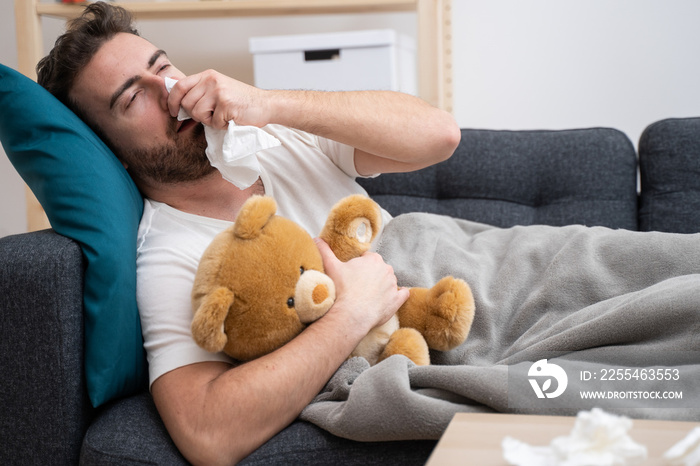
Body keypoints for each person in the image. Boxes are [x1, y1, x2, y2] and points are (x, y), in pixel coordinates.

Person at [37, 3, 460, 464]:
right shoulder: (170, 254)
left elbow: (440, 135)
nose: (168, 91)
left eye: (162, 67)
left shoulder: (277, 136)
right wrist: (353, 313)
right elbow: (208, 434)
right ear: (110, 153)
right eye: (132, 98)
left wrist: (272, 103)